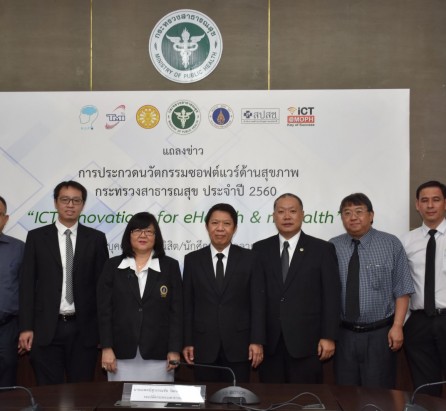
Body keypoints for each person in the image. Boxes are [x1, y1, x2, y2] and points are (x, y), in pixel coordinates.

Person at [18, 180, 109, 385]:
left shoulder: (96, 239)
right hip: (46, 329)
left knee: (81, 391)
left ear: (83, 205)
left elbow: (103, 289)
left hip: (83, 330)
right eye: (65, 199)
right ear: (55, 202)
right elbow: (27, 286)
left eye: (76, 200)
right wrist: (26, 327)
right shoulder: (36, 237)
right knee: (48, 392)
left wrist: (104, 333)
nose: (70, 205)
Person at [252, 193, 341, 383]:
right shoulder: (260, 249)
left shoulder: (322, 249)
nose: (287, 216)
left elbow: (331, 296)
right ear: (274, 216)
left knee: (305, 396)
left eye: (292, 211)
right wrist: (257, 339)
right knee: (272, 396)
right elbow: (256, 298)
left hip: (308, 343)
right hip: (270, 344)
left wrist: (329, 336)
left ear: (302, 215)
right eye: (281, 212)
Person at [330, 193, 414, 389]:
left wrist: (398, 326)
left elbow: (402, 289)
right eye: (347, 213)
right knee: (345, 393)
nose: (353, 217)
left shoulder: (390, 244)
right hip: (343, 334)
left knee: (379, 394)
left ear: (371, 215)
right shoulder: (332, 246)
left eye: (359, 211)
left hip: (380, 334)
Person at [183, 203, 264, 383]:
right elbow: (188, 305)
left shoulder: (250, 259)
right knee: (206, 396)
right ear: (207, 226)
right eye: (215, 223)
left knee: (237, 396)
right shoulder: (192, 260)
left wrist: (257, 340)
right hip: (203, 345)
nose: (220, 228)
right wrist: (187, 341)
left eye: (226, 223)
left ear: (234, 228)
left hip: (240, 346)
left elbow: (257, 303)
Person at [97, 212, 183, 382]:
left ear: (156, 237)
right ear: (129, 235)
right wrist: (106, 347)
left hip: (159, 354)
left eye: (148, 231)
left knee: (157, 398)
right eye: (137, 230)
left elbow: (177, 311)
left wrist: (174, 349)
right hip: (119, 354)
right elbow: (104, 311)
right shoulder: (112, 266)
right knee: (120, 398)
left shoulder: (170, 266)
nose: (143, 235)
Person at [401, 180, 446, 397]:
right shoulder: (406, 241)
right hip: (419, 322)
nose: (430, 205)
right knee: (425, 388)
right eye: (424, 200)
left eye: (436, 200)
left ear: (445, 203)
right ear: (417, 205)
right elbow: (400, 284)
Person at [0, 196, 25, 386]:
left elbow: (28, 291)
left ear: (5, 218)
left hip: (7, 329)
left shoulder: (19, 248)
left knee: (6, 385)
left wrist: (25, 327)